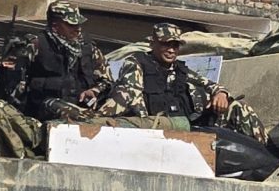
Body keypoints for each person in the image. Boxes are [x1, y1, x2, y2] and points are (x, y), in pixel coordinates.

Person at [99, 23, 267, 139]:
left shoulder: (180, 69)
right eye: (166, 44)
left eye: (175, 45)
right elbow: (130, 94)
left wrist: (221, 94)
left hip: (187, 126)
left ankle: (268, 154)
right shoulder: (137, 64)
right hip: (155, 128)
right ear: (153, 44)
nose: (171, 50)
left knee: (238, 107)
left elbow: (211, 85)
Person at [9, 0, 110, 122]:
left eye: (79, 24)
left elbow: (106, 81)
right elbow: (14, 85)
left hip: (81, 108)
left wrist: (94, 91)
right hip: (42, 109)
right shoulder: (35, 45)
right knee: (78, 116)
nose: (78, 29)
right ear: (55, 25)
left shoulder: (88, 48)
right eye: (71, 25)